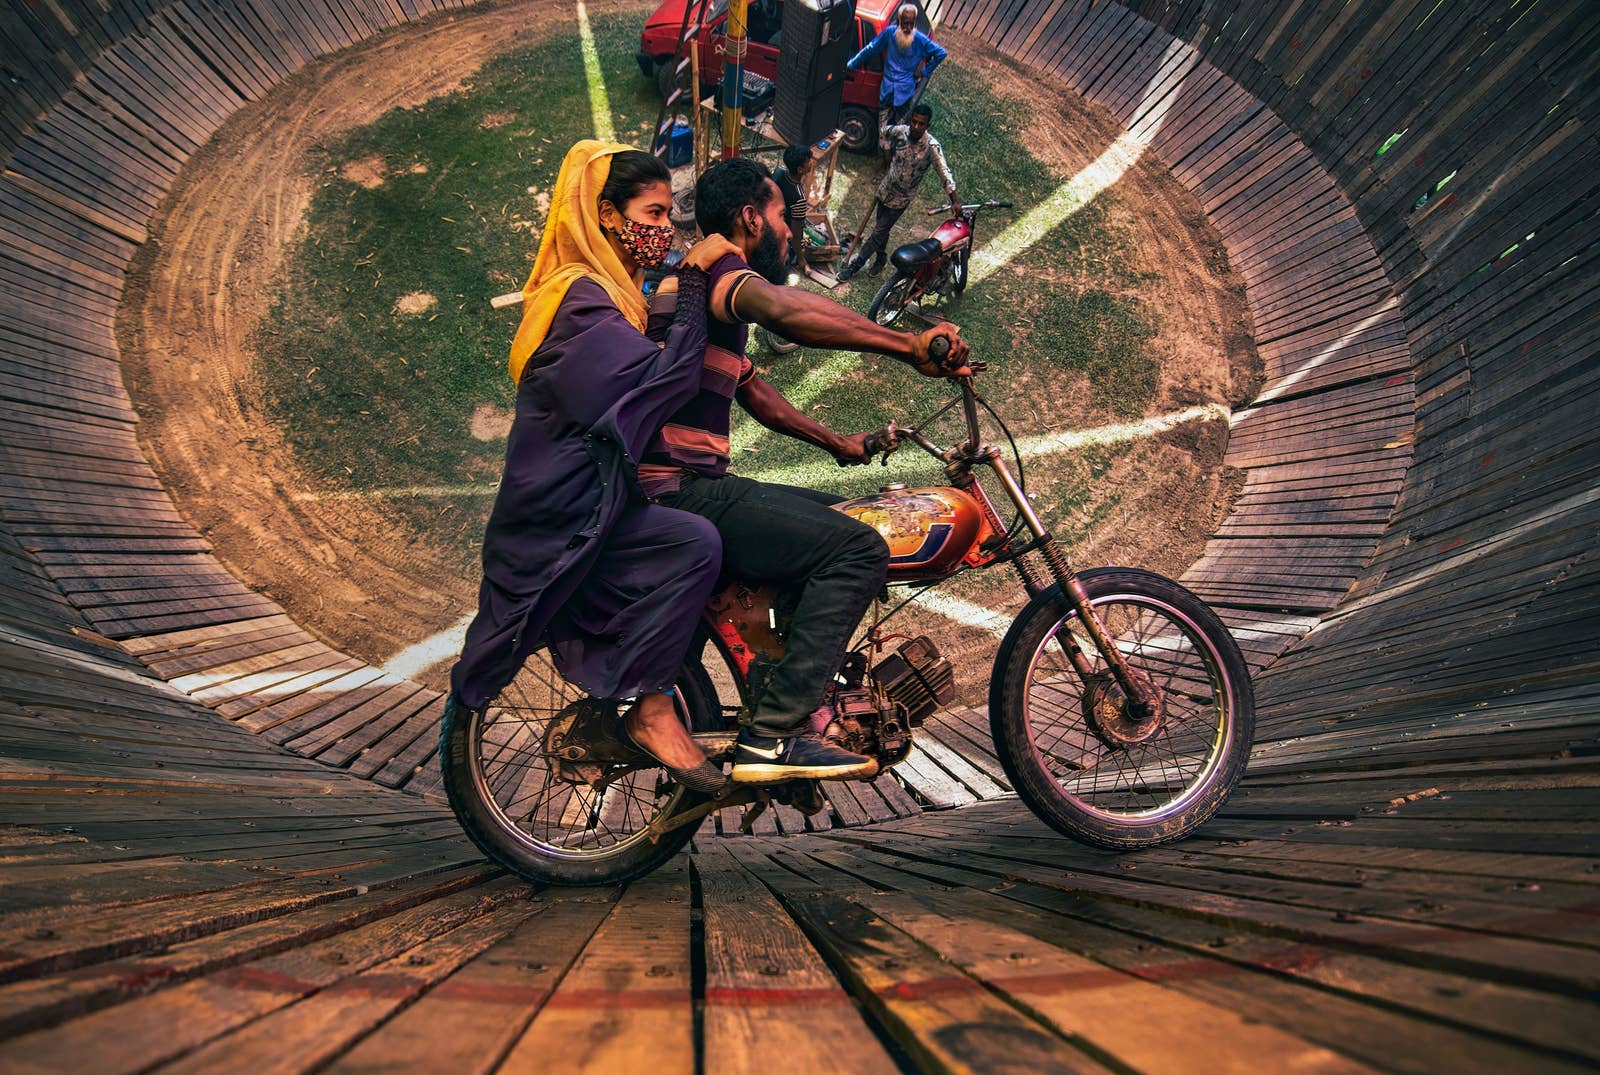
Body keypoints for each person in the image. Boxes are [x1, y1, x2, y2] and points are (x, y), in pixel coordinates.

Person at [639, 155, 969, 785]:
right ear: (749, 219)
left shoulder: (696, 290)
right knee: (859, 550)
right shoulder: (717, 270)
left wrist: (838, 443)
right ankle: (775, 735)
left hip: (685, 486)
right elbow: (788, 311)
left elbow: (756, 393)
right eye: (782, 217)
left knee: (835, 519)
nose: (791, 231)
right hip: (679, 490)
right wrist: (903, 344)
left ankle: (784, 697)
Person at [448, 142, 741, 795]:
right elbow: (660, 383)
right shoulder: (578, 303)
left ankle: (662, 696)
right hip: (562, 516)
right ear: (606, 214)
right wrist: (695, 285)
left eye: (670, 215)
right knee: (695, 540)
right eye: (653, 212)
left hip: (597, 502)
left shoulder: (616, 296)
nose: (664, 230)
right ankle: (653, 709)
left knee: (694, 540)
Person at [837, 103, 957, 281]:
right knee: (881, 230)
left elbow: (945, 173)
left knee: (878, 232)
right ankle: (881, 259)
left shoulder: (932, 146)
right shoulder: (901, 131)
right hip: (885, 190)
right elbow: (884, 131)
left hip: (901, 199)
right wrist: (887, 152)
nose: (916, 127)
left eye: (921, 124)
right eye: (914, 122)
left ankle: (854, 267)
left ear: (927, 125)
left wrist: (954, 200)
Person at [846, 3, 946, 134]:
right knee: (882, 127)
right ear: (899, 21)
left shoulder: (920, 40)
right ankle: (883, 146)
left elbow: (941, 53)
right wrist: (852, 64)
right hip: (887, 89)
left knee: (901, 127)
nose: (908, 27)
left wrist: (925, 72)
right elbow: (870, 49)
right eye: (905, 23)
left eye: (911, 23)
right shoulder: (889, 33)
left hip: (905, 92)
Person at [771, 143, 815, 266]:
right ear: (800, 169)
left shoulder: (778, 172)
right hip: (782, 238)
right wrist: (801, 258)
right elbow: (795, 235)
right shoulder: (799, 198)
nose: (811, 162)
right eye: (809, 161)